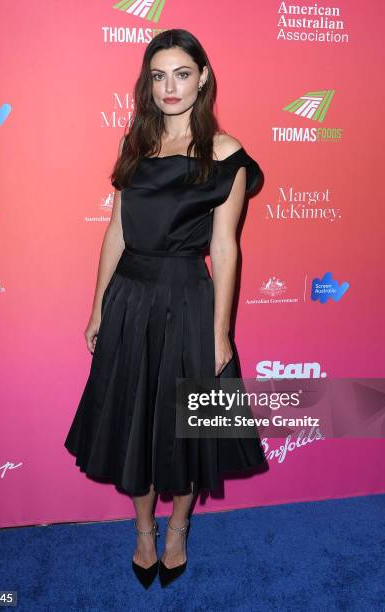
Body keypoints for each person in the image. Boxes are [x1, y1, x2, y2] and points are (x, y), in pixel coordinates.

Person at [64, 28, 269, 589]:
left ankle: (178, 527)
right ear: (147, 84)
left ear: (202, 77)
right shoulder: (136, 143)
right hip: (130, 298)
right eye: (158, 76)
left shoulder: (227, 155)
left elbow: (225, 246)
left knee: (189, 429)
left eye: (181, 73)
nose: (169, 87)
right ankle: (143, 530)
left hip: (187, 298)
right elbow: (114, 232)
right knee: (134, 420)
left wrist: (221, 331)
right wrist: (98, 307)